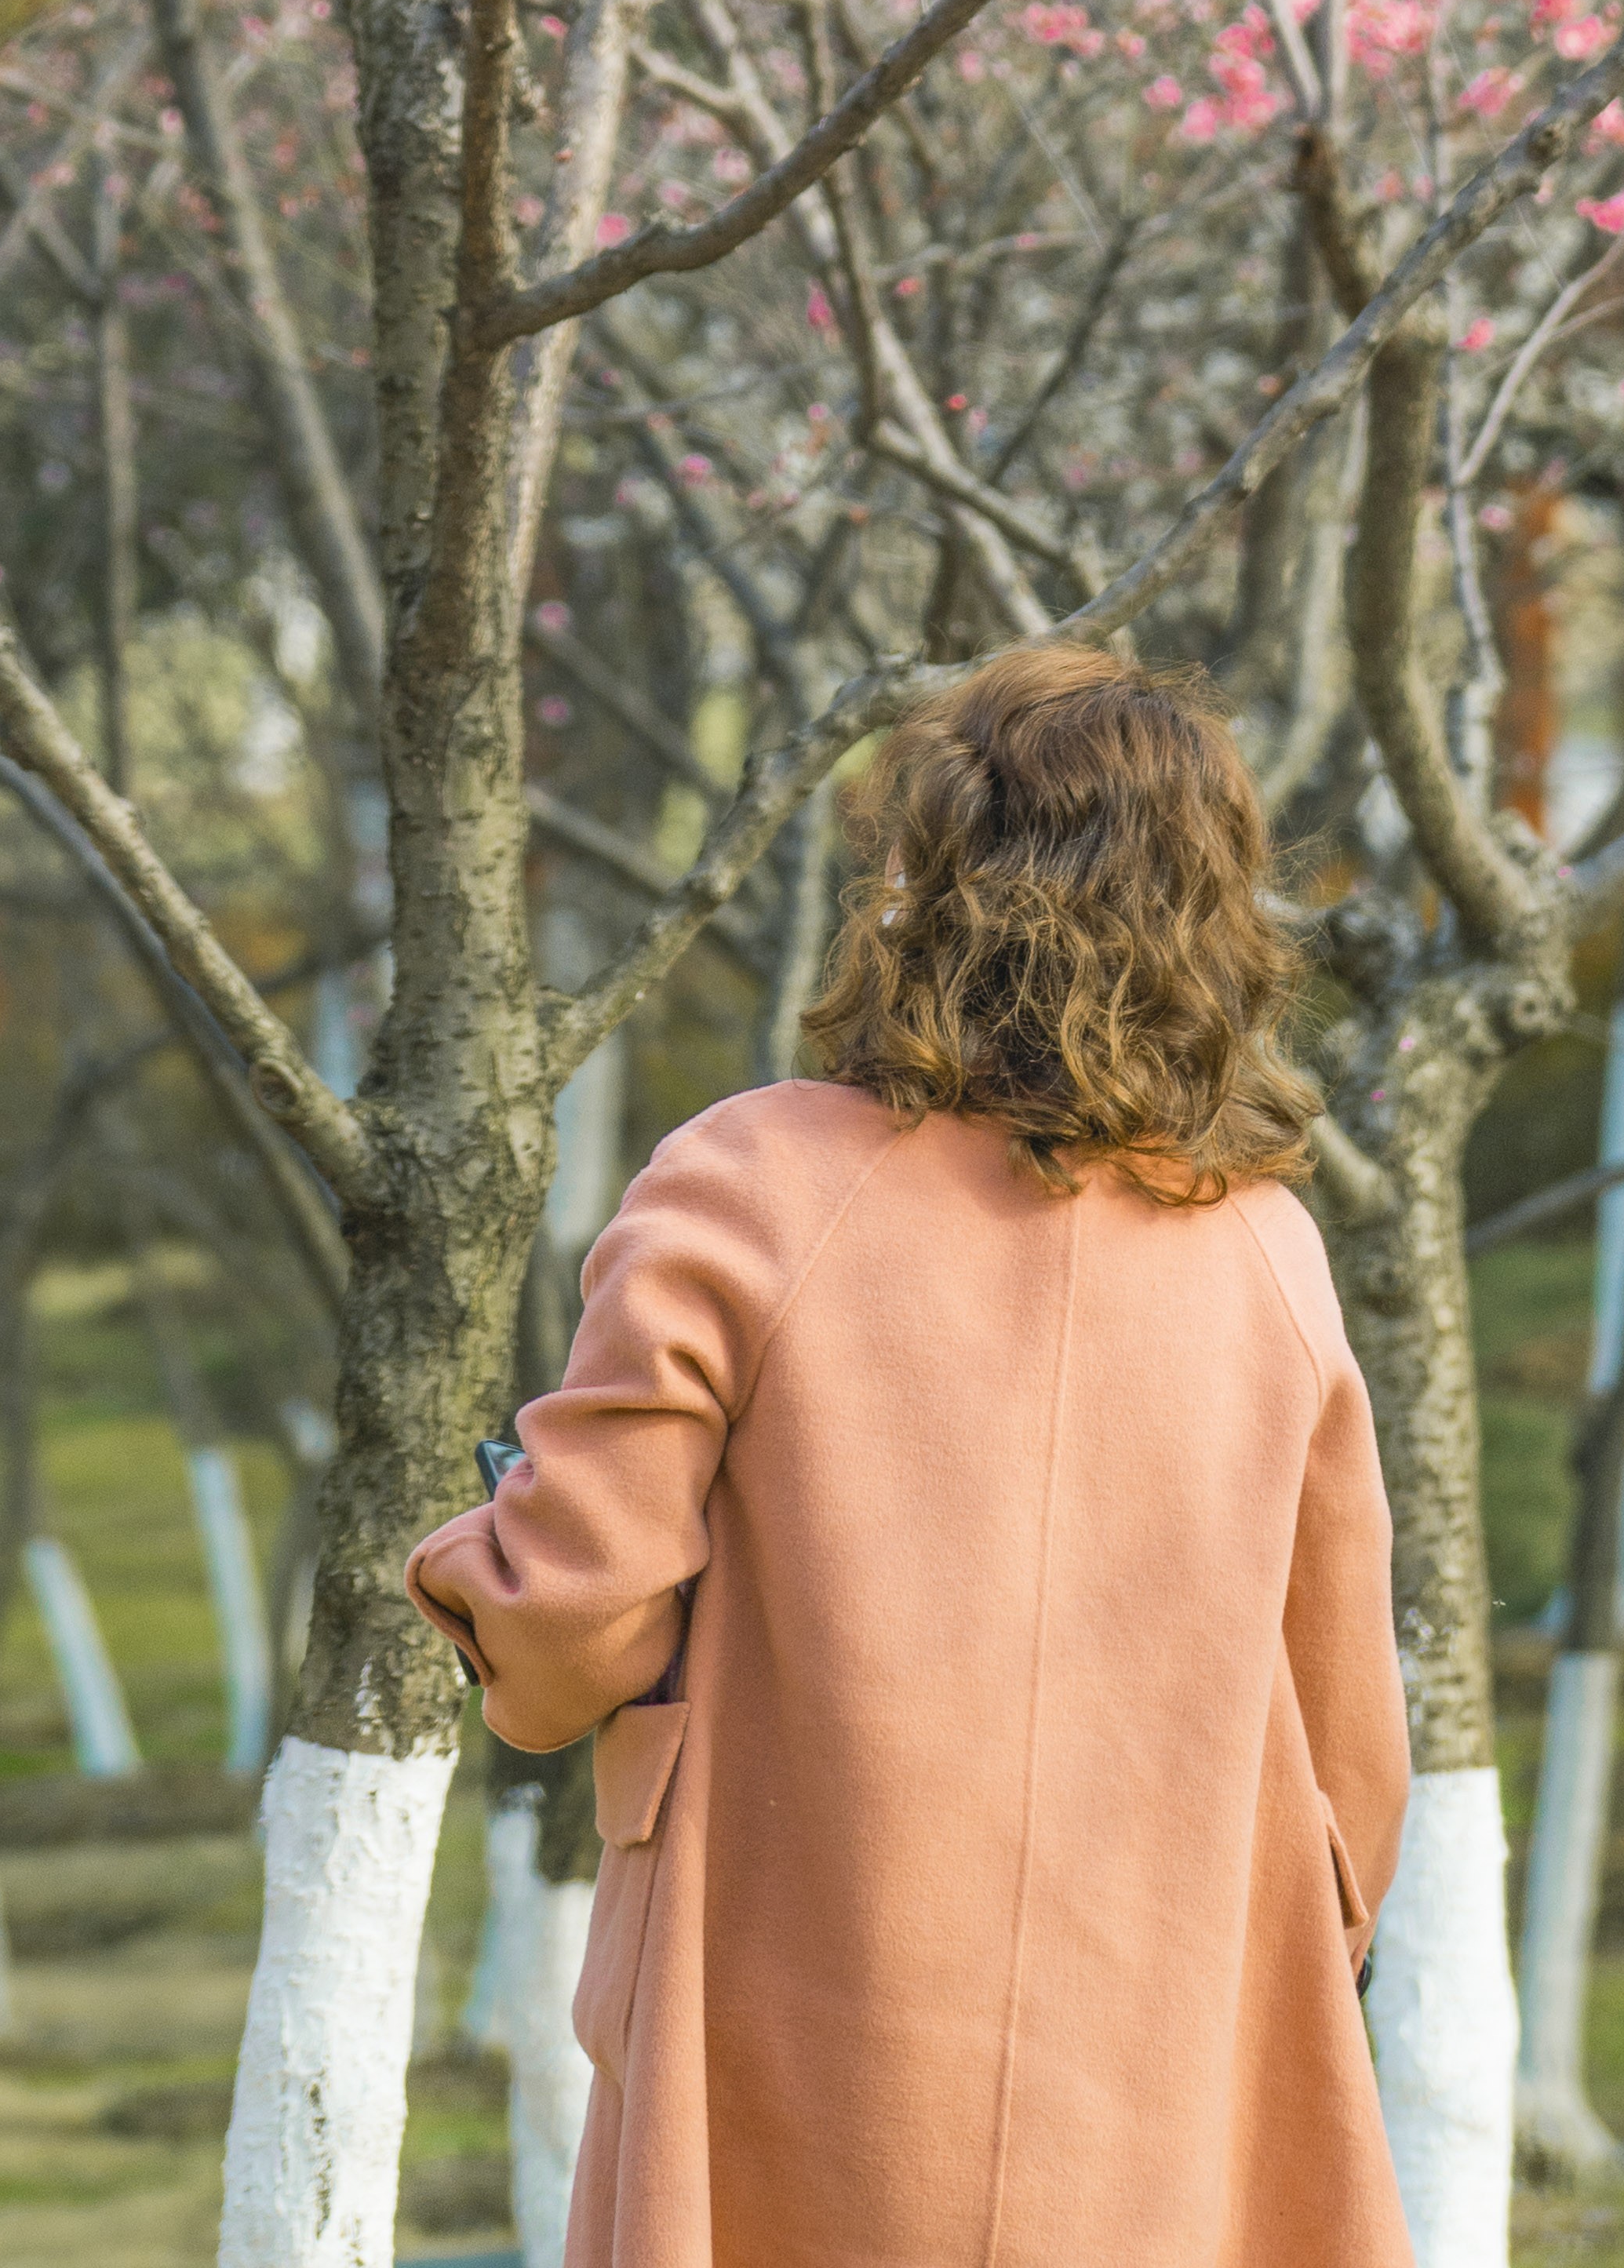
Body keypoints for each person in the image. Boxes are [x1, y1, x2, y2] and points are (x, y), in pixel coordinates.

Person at [407, 639, 1411, 2268]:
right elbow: (1352, 1757)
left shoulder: (744, 1182)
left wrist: (463, 1552)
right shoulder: (1267, 1258)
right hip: (1157, 2039)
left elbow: (572, 1612)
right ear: (1213, 918)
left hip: (785, 1996)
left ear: (924, 879)